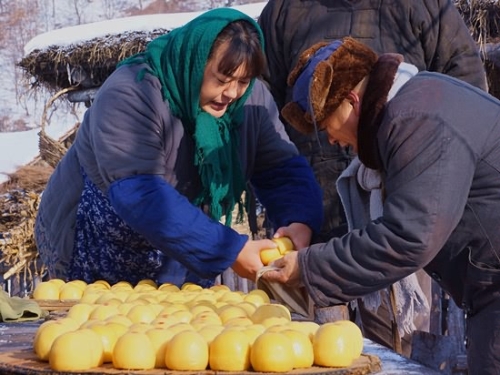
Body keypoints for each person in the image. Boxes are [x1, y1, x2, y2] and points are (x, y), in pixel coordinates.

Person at [258, 0, 488, 356]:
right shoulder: (286, 10)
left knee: (410, 349)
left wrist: (307, 267)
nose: (331, 140)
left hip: (473, 263)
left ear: (351, 99)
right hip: (475, 276)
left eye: (328, 124)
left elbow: (409, 236)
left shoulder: (417, 121)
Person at [33, 8, 323, 288]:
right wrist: (228, 249)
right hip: (101, 235)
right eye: (222, 80)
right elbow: (140, 194)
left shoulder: (251, 100)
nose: (232, 93)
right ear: (195, 64)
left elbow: (281, 170)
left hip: (181, 236)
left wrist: (299, 220)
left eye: (243, 81)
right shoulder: (132, 93)